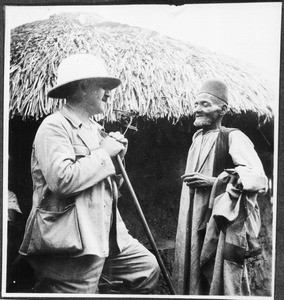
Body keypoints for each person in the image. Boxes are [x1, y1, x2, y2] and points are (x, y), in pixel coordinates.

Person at [19, 53, 160, 294]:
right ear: (83, 86)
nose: (109, 93)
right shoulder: (54, 126)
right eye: (103, 86)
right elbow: (61, 180)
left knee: (146, 269)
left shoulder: (95, 128)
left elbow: (104, 188)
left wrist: (117, 161)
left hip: (106, 235)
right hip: (70, 243)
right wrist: (105, 154)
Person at [173, 80, 268, 295]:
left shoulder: (234, 137)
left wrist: (214, 182)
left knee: (220, 278)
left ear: (223, 109)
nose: (197, 109)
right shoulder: (197, 138)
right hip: (191, 219)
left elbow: (258, 178)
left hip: (217, 221)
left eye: (205, 104)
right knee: (192, 268)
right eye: (196, 104)